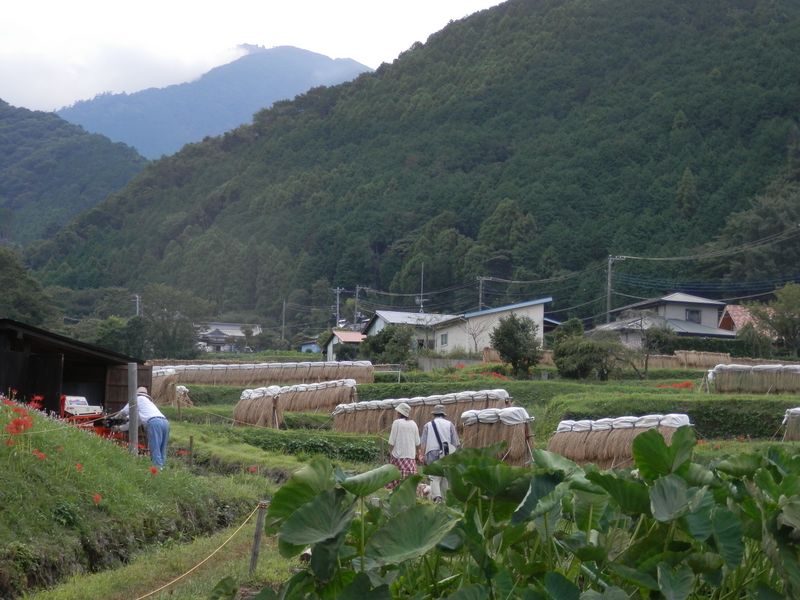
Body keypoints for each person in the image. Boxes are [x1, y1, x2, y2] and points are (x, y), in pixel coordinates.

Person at [119, 386, 170, 469]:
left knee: (155, 448)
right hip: (165, 422)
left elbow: (124, 411)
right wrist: (120, 428)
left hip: (154, 423)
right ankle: (162, 469)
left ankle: (157, 470)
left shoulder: (137, 399)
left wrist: (116, 417)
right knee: (162, 449)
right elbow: (134, 423)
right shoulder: (148, 405)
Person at [419, 404, 459, 503]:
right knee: (444, 476)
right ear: (443, 414)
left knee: (434, 477)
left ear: (434, 414)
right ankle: (444, 499)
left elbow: (423, 442)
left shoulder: (428, 425)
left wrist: (422, 455)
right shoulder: (450, 424)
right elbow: (456, 443)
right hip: (446, 453)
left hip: (432, 452)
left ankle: (437, 498)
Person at [386, 402, 420, 490]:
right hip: (410, 458)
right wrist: (417, 455)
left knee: (397, 483)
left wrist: (389, 453)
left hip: (398, 457)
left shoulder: (396, 423)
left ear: (399, 413)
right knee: (408, 483)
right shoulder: (414, 424)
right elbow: (417, 443)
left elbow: (391, 442)